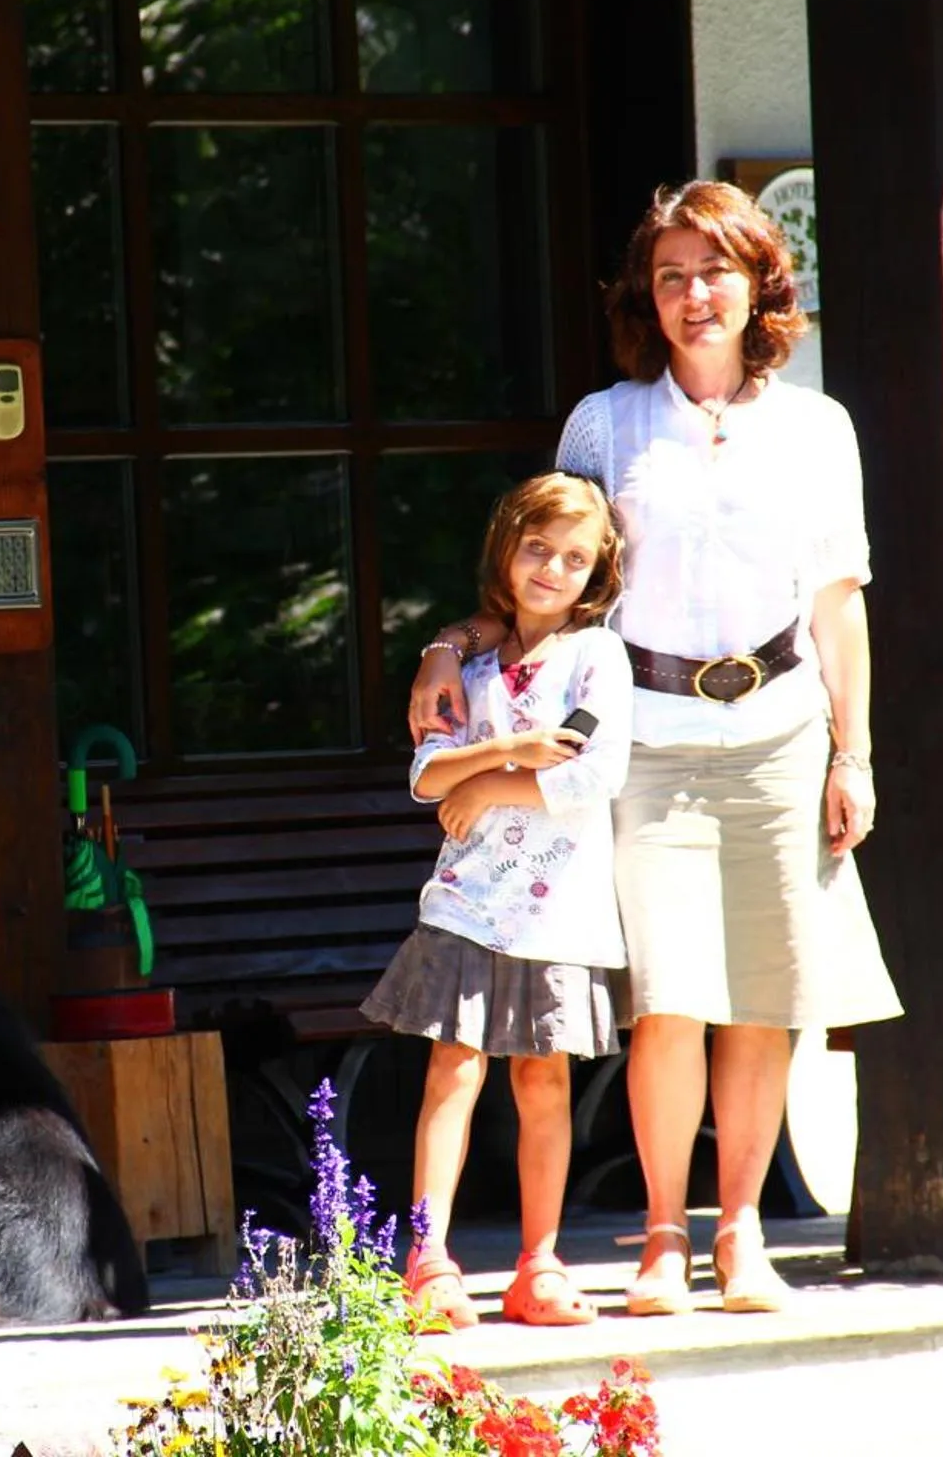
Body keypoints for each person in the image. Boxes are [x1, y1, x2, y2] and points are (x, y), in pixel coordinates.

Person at [405, 180, 903, 1316]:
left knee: (768, 996)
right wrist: (452, 642)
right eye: (671, 275)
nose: (694, 295)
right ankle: (663, 1241)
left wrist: (852, 754)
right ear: (648, 295)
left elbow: (839, 608)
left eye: (716, 272)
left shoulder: (817, 429)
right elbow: (551, 575)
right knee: (669, 997)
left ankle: (742, 1239)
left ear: (760, 286)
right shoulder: (607, 422)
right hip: (650, 738)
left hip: (782, 730)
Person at [361, 472, 633, 1330]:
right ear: (506, 551)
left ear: (598, 575)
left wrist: (491, 788)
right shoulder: (469, 664)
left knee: (543, 1081)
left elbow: (593, 772)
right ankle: (429, 1257)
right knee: (454, 1070)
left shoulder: (598, 658)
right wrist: (508, 753)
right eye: (537, 548)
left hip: (558, 908)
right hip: (467, 901)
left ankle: (539, 1263)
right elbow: (425, 774)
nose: (552, 569)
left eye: (575, 558)